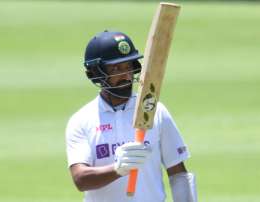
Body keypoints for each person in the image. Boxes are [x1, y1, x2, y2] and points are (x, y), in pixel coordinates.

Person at [65, 30, 198, 202]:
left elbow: (178, 174)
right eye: (116, 68)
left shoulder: (154, 110)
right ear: (96, 73)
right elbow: (81, 179)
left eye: (128, 66)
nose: (126, 75)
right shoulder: (81, 120)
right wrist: (118, 169)